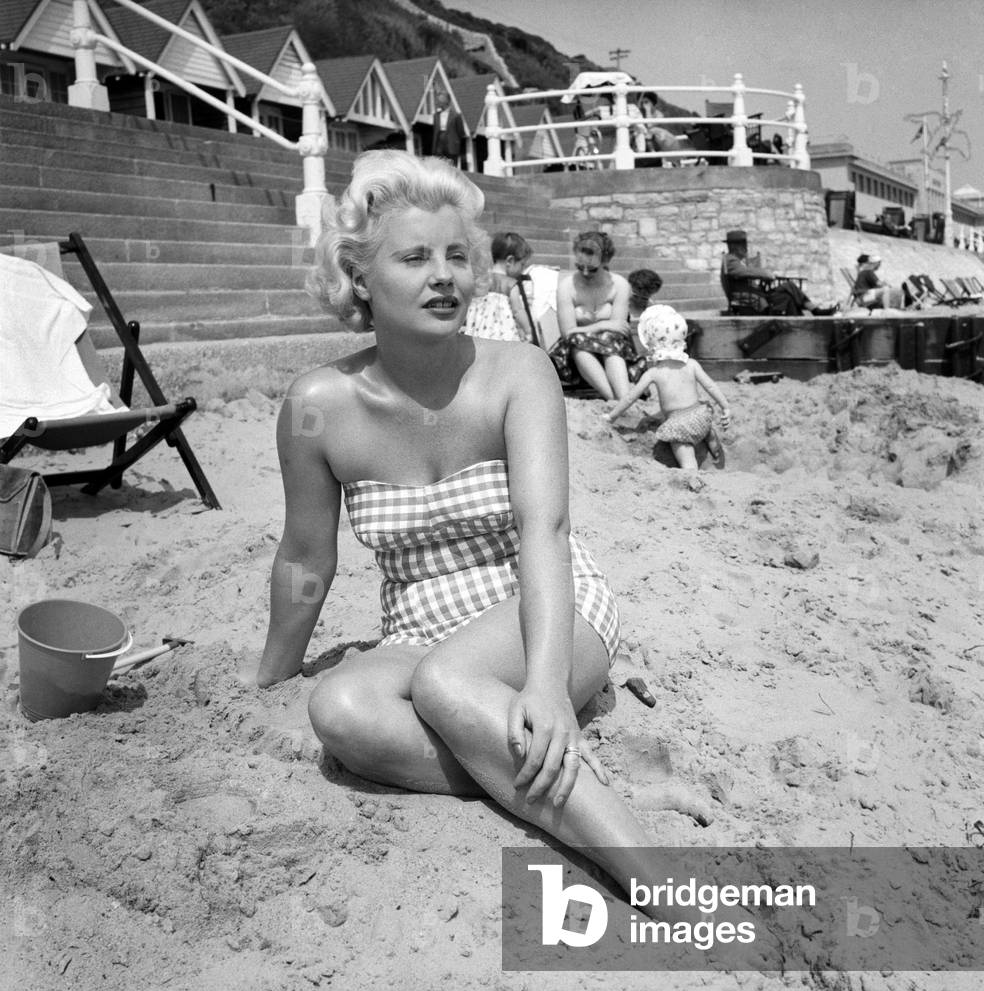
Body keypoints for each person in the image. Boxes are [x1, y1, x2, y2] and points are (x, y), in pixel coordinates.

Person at [255, 149, 669, 904]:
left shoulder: (519, 372)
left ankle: (657, 876)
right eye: (414, 257)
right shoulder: (317, 405)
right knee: (339, 711)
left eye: (456, 255)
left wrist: (545, 685)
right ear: (359, 277)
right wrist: (270, 678)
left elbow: (546, 531)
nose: (443, 275)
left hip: (543, 607)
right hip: (419, 628)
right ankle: (534, 774)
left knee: (448, 684)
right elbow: (306, 555)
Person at [605, 304, 730, 473]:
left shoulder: (654, 373)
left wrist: (611, 416)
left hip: (679, 425)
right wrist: (725, 407)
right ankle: (714, 448)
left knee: (686, 456)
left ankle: (692, 474)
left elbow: (629, 398)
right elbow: (710, 386)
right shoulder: (692, 364)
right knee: (705, 427)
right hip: (701, 416)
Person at [554, 231, 632, 399]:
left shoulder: (619, 285)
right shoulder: (567, 287)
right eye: (579, 267)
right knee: (578, 343)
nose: (585, 273)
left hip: (611, 345)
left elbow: (618, 329)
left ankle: (624, 398)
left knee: (610, 340)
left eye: (592, 269)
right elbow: (568, 332)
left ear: (605, 261)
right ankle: (613, 399)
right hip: (575, 351)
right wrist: (602, 324)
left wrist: (591, 329)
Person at [723, 229, 837, 316]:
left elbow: (748, 272)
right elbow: (745, 272)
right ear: (733, 246)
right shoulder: (731, 261)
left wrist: (764, 276)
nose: (746, 247)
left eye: (745, 244)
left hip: (758, 295)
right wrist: (766, 274)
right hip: (754, 299)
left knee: (788, 292)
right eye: (742, 244)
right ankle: (812, 313)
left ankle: (806, 317)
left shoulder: (737, 261)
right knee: (788, 290)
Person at [463, 231, 531, 343]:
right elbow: (517, 310)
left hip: (478, 335)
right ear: (510, 261)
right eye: (522, 264)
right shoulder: (511, 284)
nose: (522, 270)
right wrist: (528, 330)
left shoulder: (481, 280)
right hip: (502, 339)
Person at [431, 92, 467, 168]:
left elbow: (461, 132)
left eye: (439, 101)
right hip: (439, 145)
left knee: (452, 167)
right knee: (439, 166)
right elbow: (435, 132)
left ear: (445, 102)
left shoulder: (456, 115)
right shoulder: (436, 116)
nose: (437, 103)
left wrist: (455, 141)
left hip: (451, 144)